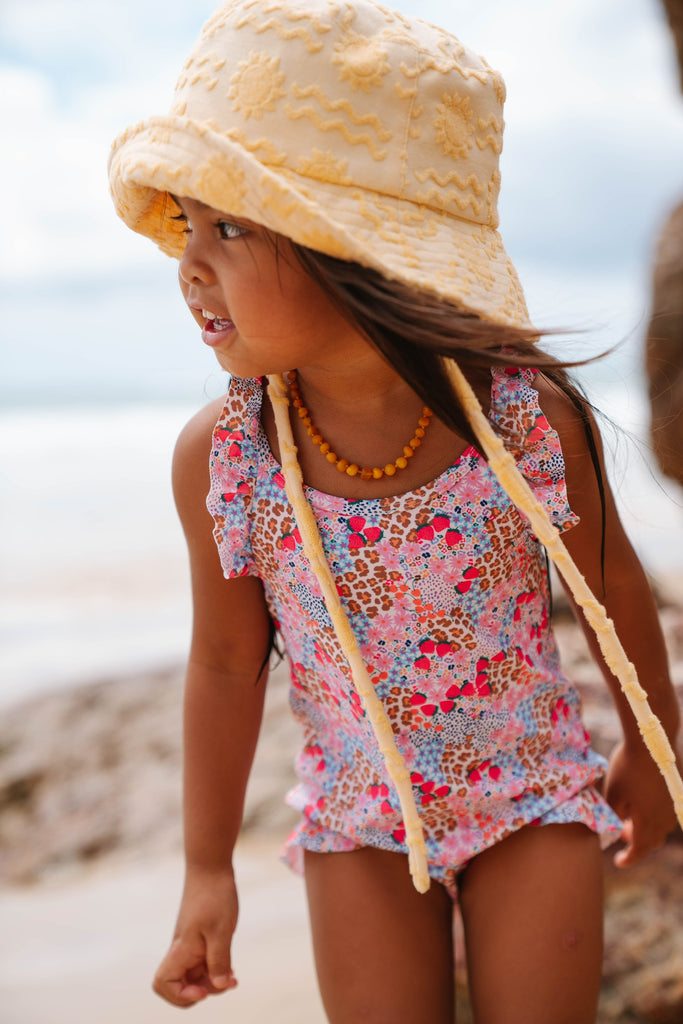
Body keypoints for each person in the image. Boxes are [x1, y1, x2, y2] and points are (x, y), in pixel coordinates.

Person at [108, 2, 681, 1021]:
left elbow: (609, 582)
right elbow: (225, 663)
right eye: (187, 228)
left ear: (350, 245)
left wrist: (650, 739)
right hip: (360, 823)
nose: (191, 264)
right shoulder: (231, 457)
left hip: (530, 793)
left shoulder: (519, 414)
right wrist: (206, 870)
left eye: (231, 227)